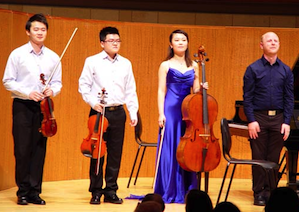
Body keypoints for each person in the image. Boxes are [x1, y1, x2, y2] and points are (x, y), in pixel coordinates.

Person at [2, 13, 62, 205]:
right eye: (36, 29)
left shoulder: (53, 57)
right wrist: (28, 92)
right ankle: (23, 192)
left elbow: (58, 83)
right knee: (22, 149)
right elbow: (7, 81)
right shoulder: (17, 54)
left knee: (39, 149)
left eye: (43, 29)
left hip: (44, 107)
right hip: (23, 106)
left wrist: (52, 89)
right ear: (28, 31)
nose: (40, 32)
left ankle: (35, 191)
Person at [78, 26, 138, 205]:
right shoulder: (92, 61)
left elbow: (131, 90)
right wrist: (92, 102)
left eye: (118, 40)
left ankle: (111, 190)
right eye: (111, 41)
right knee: (97, 153)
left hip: (118, 112)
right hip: (99, 112)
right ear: (102, 43)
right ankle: (96, 191)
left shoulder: (126, 63)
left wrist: (132, 111)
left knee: (115, 153)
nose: (115, 44)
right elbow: (83, 85)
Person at [154, 29, 207, 203]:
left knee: (187, 149)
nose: (180, 42)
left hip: (188, 111)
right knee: (171, 147)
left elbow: (196, 89)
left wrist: (202, 87)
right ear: (171, 44)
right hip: (171, 109)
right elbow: (161, 90)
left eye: (183, 39)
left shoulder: (194, 65)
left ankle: (186, 188)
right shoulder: (165, 65)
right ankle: (169, 187)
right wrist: (161, 113)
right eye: (177, 40)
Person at [243, 32, 294, 206]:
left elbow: (289, 98)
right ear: (261, 45)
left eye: (275, 40)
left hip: (279, 119)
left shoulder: (285, 70)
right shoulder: (253, 69)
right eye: (269, 40)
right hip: (258, 118)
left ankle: (271, 193)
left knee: (273, 159)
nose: (273, 43)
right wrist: (251, 120)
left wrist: (287, 122)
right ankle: (259, 193)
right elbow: (247, 97)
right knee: (258, 158)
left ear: (279, 44)